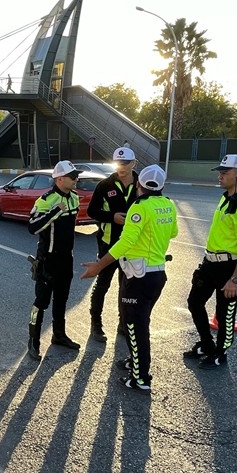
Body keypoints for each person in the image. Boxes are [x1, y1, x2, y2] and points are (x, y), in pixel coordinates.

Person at [80, 164, 177, 391]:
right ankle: (136, 363)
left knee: (134, 326)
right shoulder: (167, 205)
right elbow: (173, 233)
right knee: (140, 323)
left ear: (139, 185)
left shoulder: (139, 207)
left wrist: (99, 266)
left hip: (138, 276)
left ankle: (140, 377)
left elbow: (125, 242)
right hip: (157, 274)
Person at [185, 154, 237, 368]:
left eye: (224, 173)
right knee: (194, 302)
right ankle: (207, 345)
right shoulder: (227, 196)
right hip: (211, 263)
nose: (220, 176)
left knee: (226, 314)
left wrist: (236, 279)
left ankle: (220, 353)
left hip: (231, 267)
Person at [27, 160, 83, 360]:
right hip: (48, 260)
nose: (77, 179)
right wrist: (54, 212)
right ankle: (33, 340)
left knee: (62, 300)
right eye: (73, 176)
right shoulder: (46, 200)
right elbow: (32, 227)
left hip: (66, 259)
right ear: (60, 179)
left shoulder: (75, 197)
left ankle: (59, 335)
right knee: (40, 302)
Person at [86, 145, 139, 342]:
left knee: (126, 287)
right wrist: (111, 217)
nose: (121, 167)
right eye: (118, 163)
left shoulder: (142, 184)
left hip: (132, 246)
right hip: (108, 245)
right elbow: (92, 212)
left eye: (126, 163)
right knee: (102, 285)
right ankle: (96, 325)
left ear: (134, 163)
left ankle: (123, 323)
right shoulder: (105, 185)